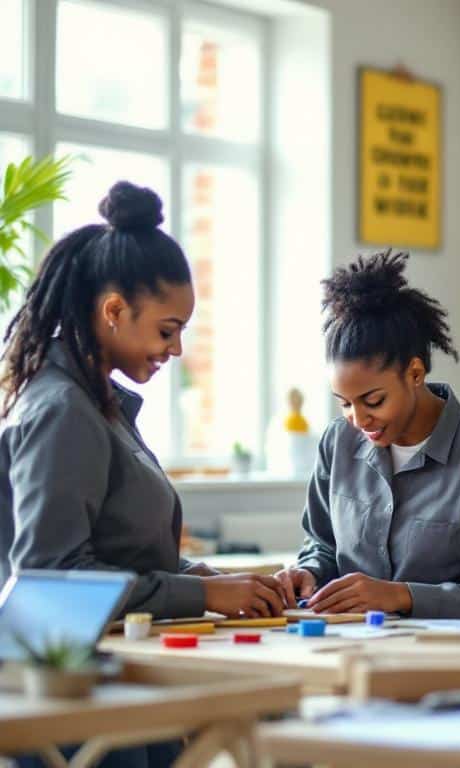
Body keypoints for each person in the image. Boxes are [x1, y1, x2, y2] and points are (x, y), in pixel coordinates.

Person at [0, 181, 284, 620]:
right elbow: (52, 577)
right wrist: (201, 595)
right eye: (166, 330)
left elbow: (115, 554)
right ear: (114, 311)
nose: (177, 349)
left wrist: (197, 577)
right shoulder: (62, 410)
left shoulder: (99, 403)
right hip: (56, 655)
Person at [272, 251, 460, 624]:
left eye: (373, 401)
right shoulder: (337, 442)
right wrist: (309, 573)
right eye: (345, 403)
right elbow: (322, 546)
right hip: (351, 643)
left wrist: (401, 596)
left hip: (452, 651)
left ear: (415, 373)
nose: (358, 419)